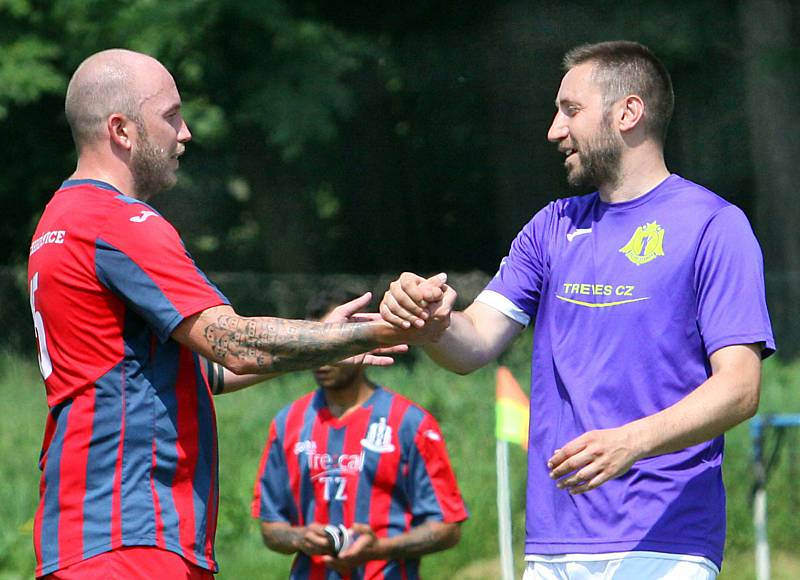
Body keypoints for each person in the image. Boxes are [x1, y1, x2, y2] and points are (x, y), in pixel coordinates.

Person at [27, 49, 429, 580]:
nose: (185, 132)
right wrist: (377, 329)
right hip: (133, 533)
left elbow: (206, 370)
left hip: (89, 531)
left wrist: (333, 340)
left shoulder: (59, 218)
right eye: (170, 115)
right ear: (121, 129)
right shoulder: (117, 221)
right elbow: (238, 344)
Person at [379, 41, 774, 580]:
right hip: (553, 543)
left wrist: (631, 442)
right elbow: (472, 344)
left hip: (663, 542)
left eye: (571, 110)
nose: (553, 130)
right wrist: (433, 323)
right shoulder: (552, 226)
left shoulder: (714, 226)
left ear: (627, 113)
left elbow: (740, 388)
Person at [252, 289, 468, 580]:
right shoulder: (287, 423)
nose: (322, 356)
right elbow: (271, 527)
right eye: (315, 344)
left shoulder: (410, 423)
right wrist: (301, 538)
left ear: (358, 341)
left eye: (331, 343)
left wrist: (381, 549)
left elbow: (447, 528)